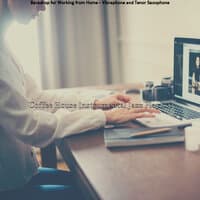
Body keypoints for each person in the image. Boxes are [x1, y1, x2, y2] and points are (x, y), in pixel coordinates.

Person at [0, 0, 159, 199]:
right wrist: (103, 117)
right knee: (104, 191)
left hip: (21, 175)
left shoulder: (4, 45)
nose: (43, 7)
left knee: (93, 184)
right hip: (8, 187)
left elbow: (36, 98)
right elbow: (29, 127)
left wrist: (93, 103)